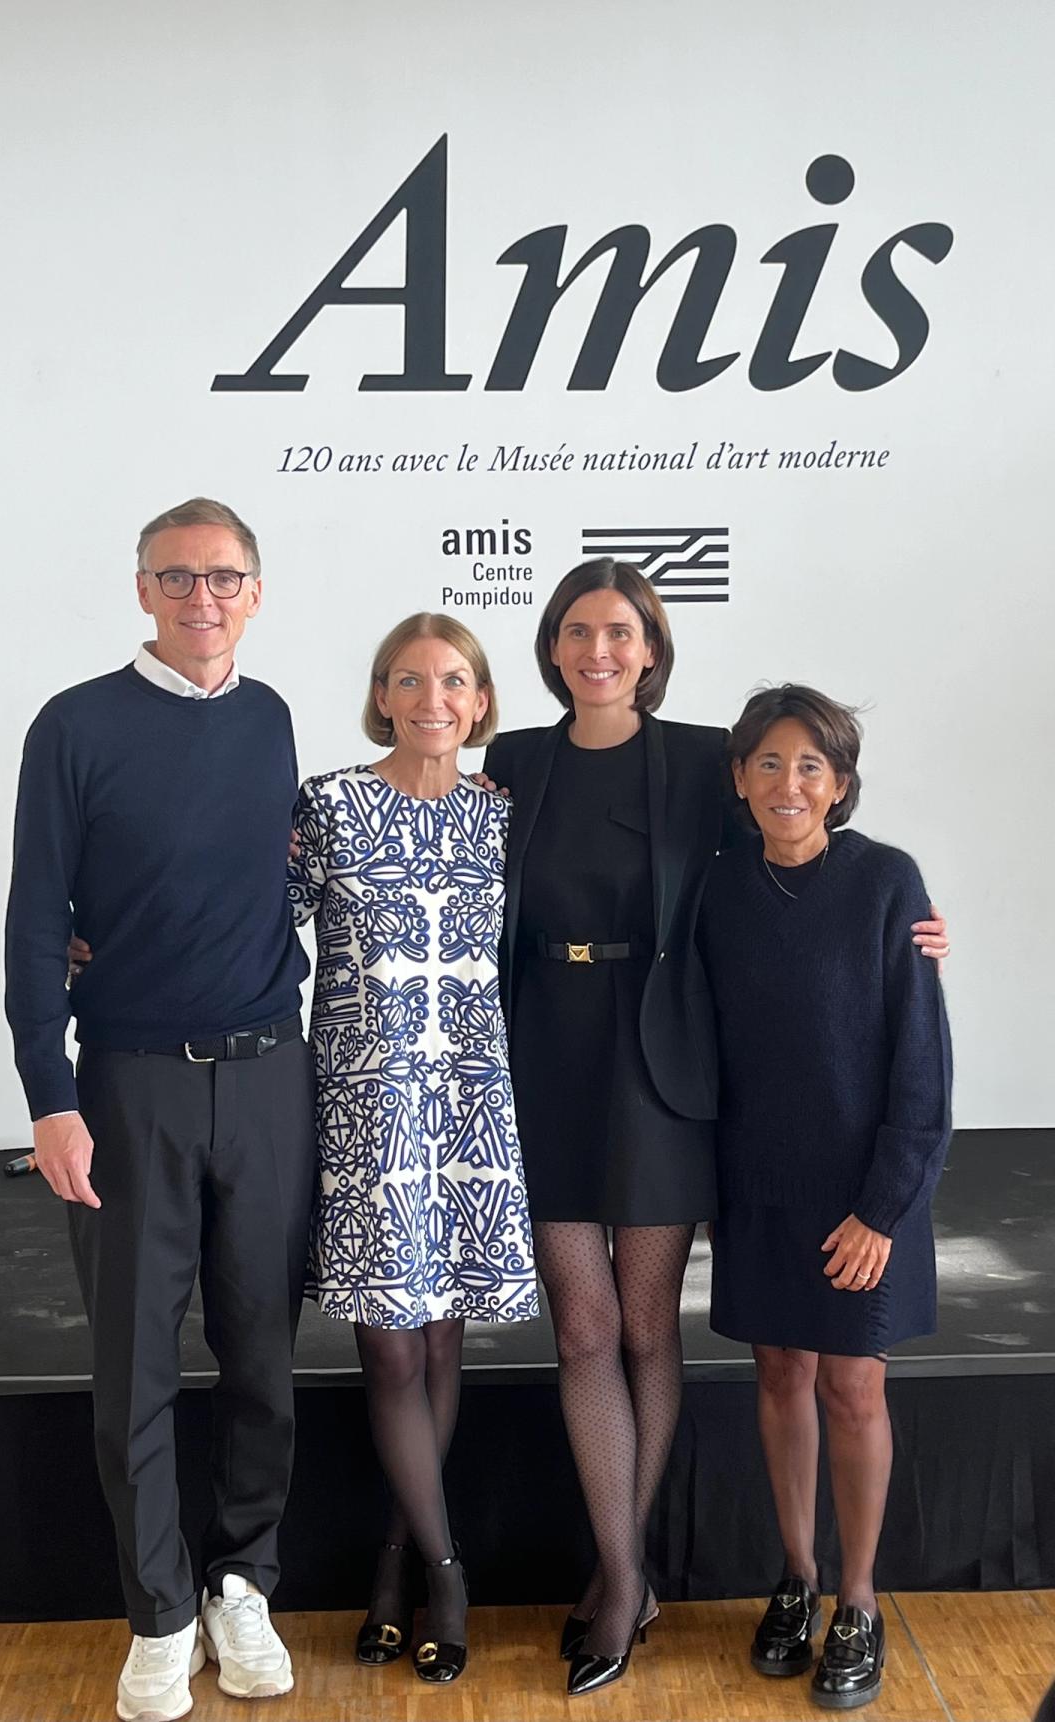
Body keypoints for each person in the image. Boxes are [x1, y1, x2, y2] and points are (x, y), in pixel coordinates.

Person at [482, 558, 949, 1698]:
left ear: (652, 649)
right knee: (584, 1330)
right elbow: (441, 854)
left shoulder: (702, 757)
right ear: (553, 647)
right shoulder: (515, 761)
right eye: (579, 630)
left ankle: (688, 1578)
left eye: (622, 632)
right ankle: (624, 1573)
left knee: (649, 1327)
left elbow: (800, 849)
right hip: (547, 1055)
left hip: (658, 1065)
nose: (600, 650)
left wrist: (912, 930)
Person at [5, 498, 315, 1722]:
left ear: (256, 592)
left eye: (224, 577)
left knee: (263, 1357)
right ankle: (159, 1615)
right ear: (142, 589)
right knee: (133, 1363)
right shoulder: (74, 725)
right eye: (177, 577)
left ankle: (242, 1583)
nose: (202, 598)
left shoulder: (273, 718)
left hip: (270, 1076)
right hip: (130, 1085)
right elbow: (38, 918)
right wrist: (50, 1095)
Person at [287, 614, 539, 1685]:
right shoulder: (330, 805)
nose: (432, 699)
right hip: (368, 1106)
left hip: (469, 1098)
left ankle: (394, 1567)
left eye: (452, 681)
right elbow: (251, 920)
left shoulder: (502, 815)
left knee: (441, 1346)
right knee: (391, 1350)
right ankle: (447, 1574)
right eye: (408, 680)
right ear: (381, 697)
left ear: (480, 702)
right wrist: (104, 941)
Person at [699, 685, 952, 1710]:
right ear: (739, 779)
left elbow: (922, 1064)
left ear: (841, 784)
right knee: (780, 1376)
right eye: (768, 762)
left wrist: (883, 1210)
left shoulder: (888, 882)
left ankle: (858, 1600)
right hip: (759, 1187)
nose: (788, 783)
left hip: (863, 1199)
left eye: (811, 766)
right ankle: (797, 1579)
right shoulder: (717, 888)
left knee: (852, 1387)